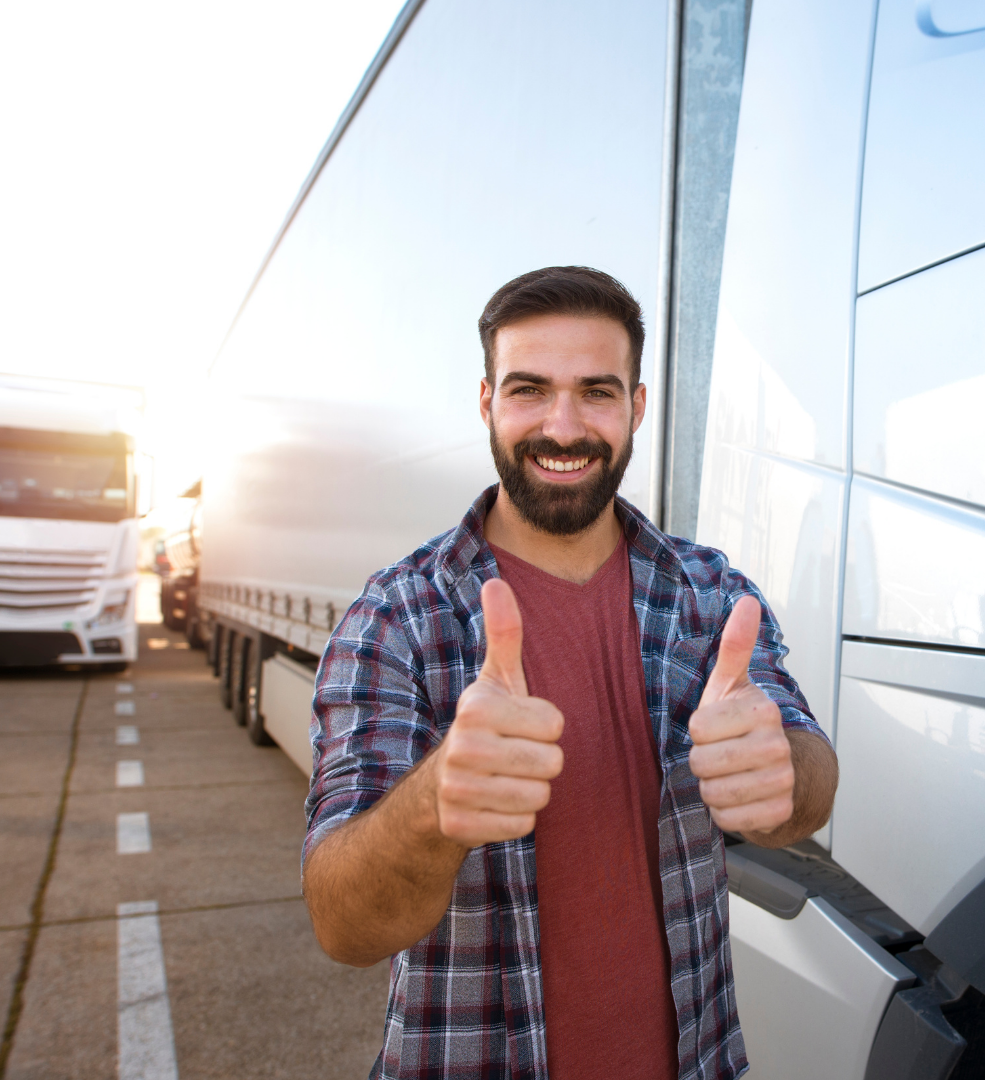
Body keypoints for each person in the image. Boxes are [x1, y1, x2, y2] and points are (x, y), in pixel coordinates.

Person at [302, 265, 839, 1080]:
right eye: (529, 390)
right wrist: (435, 804)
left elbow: (808, 779)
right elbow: (343, 926)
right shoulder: (398, 616)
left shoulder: (710, 595)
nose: (563, 426)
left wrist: (785, 771)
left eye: (596, 391)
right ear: (486, 403)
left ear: (637, 407)